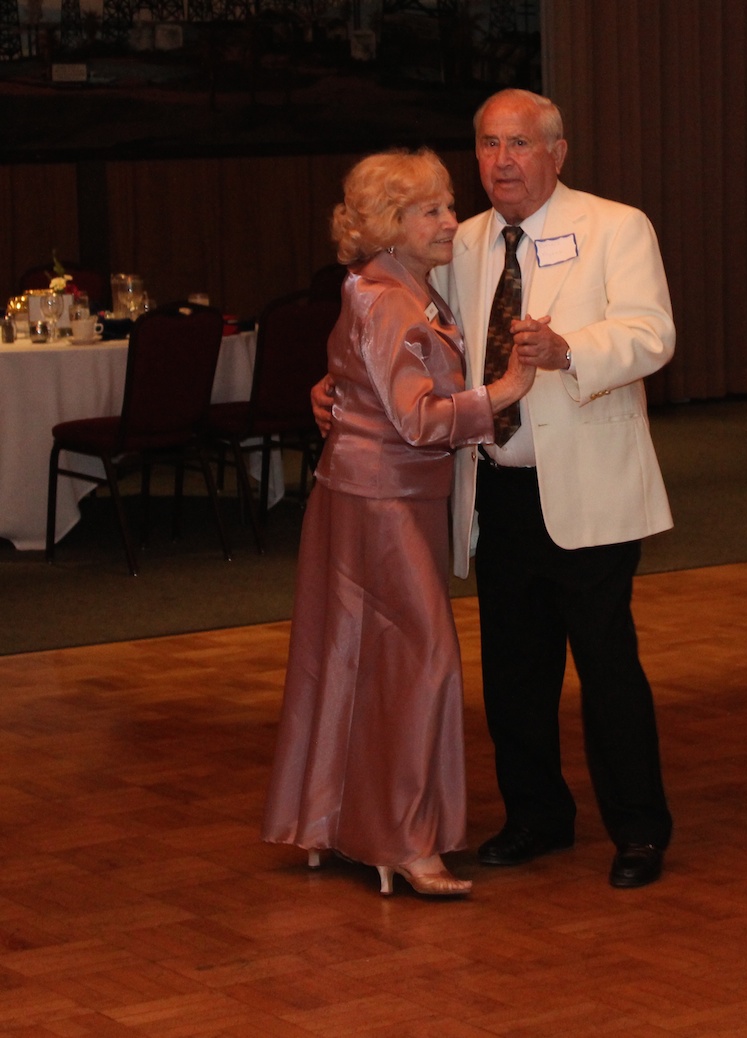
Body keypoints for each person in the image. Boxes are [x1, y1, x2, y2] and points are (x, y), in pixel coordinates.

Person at [314, 89, 676, 889]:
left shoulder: (618, 226)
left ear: (558, 151)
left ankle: (639, 828)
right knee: (514, 670)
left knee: (608, 666)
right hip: (493, 489)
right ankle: (536, 818)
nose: (501, 161)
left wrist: (569, 348)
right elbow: (401, 334)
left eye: (518, 144)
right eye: (487, 144)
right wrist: (339, 384)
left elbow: (654, 333)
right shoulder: (459, 239)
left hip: (588, 487)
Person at [261, 147, 535, 898]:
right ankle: (405, 841)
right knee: (422, 662)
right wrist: (505, 390)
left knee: (356, 659)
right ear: (390, 225)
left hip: (379, 498)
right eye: (434, 210)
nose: (453, 218)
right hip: (380, 502)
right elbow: (417, 420)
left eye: (448, 204)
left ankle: (337, 823)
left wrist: (336, 389)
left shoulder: (404, 286)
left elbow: (358, 375)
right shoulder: (388, 296)